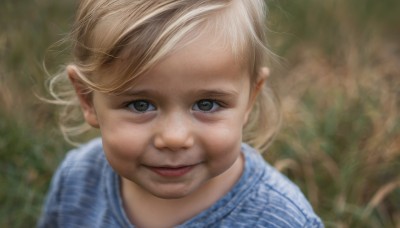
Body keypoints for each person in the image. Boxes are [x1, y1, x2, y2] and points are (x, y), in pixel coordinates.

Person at [38, 0, 324, 227]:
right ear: (87, 98)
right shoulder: (77, 181)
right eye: (140, 105)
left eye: (207, 104)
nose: (174, 138)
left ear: (250, 98)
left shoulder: (281, 218)